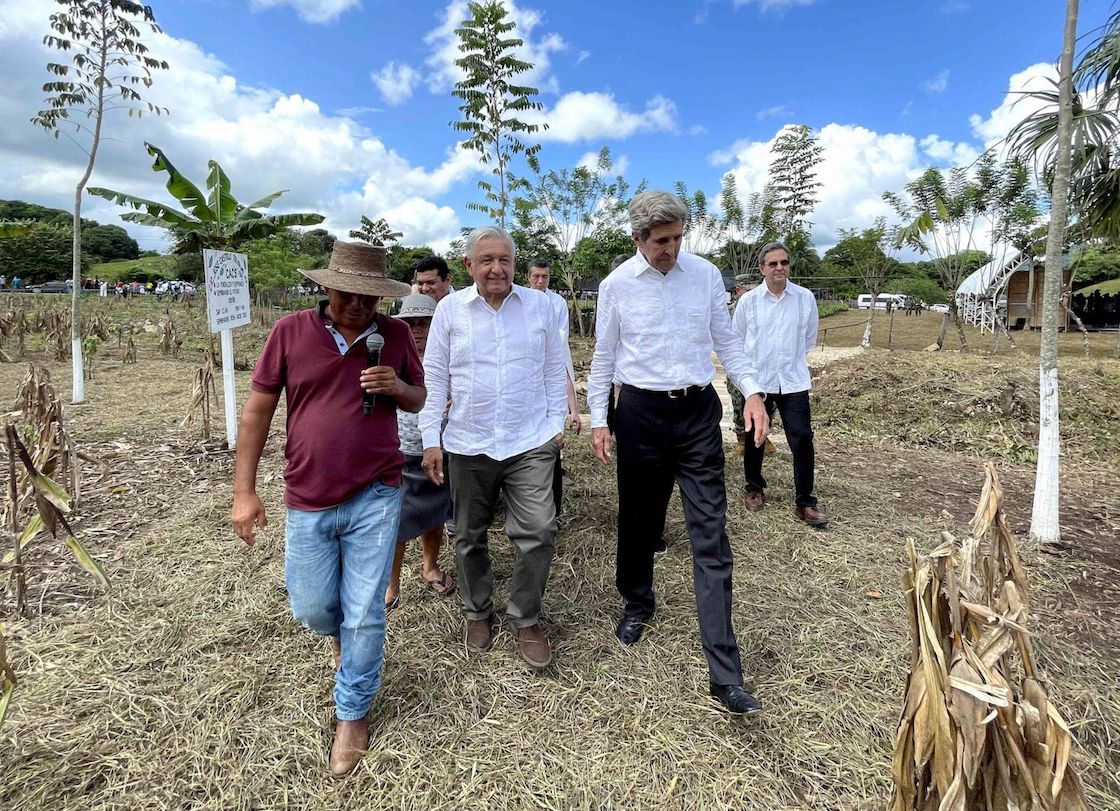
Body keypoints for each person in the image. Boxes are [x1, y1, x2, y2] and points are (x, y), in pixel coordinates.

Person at [230, 241, 423, 777]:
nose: (361, 307)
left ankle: (353, 712)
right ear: (327, 287)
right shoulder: (290, 332)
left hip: (377, 491)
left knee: (365, 609)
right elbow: (257, 412)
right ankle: (343, 644)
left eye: (371, 298)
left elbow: (419, 398)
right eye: (350, 295)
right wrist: (244, 492)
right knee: (314, 608)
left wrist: (398, 386)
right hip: (308, 495)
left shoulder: (398, 336)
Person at [588, 190, 770, 715]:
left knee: (710, 533)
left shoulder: (706, 275)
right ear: (637, 238)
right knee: (640, 519)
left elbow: (728, 342)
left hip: (696, 415)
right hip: (640, 415)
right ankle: (637, 599)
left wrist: (751, 391)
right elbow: (604, 356)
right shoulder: (616, 285)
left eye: (677, 238)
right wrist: (600, 418)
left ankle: (725, 672)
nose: (671, 248)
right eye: (661, 240)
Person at [419, 226, 567, 669]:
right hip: (468, 440)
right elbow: (435, 378)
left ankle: (525, 617)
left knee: (540, 531)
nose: (496, 268)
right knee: (468, 535)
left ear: (515, 264)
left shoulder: (540, 307)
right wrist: (432, 439)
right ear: (469, 266)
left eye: (504, 259)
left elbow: (554, 368)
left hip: (529, 440)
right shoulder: (450, 311)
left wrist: (555, 424)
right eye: (486, 260)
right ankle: (477, 611)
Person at [732, 241, 828, 528]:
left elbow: (809, 338)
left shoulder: (804, 298)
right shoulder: (748, 302)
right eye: (773, 263)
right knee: (755, 436)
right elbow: (737, 340)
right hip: (758, 382)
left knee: (801, 438)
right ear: (762, 268)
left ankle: (805, 501)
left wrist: (787, 360)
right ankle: (754, 488)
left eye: (784, 262)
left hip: (793, 380)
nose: (779, 268)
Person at [385, 294, 455, 609]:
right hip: (399, 451)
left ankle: (430, 566)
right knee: (396, 520)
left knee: (434, 512)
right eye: (410, 323)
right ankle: (391, 583)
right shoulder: (390, 358)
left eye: (424, 323)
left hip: (440, 449)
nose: (417, 330)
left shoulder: (449, 356)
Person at [527, 259, 581, 515]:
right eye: (536, 276)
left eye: (545, 277)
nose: (540, 281)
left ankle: (554, 511)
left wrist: (573, 408)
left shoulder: (557, 304)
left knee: (551, 448)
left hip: (550, 377)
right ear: (528, 277)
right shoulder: (520, 300)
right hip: (527, 379)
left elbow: (560, 347)